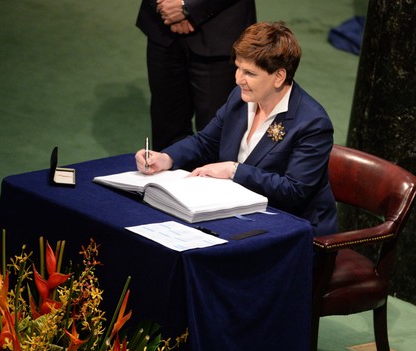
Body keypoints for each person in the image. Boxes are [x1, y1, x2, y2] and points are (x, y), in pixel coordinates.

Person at [135, 21, 338, 236]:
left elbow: (293, 191)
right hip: (240, 212)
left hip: (292, 229)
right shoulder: (240, 99)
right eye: (238, 68)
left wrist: (234, 170)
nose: (238, 79)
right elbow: (206, 142)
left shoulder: (313, 123)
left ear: (279, 76)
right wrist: (166, 158)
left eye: (249, 73)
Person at [136, 0, 257, 150]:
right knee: (166, 134)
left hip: (221, 29)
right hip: (162, 28)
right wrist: (165, 6)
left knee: (216, 134)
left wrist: (187, 6)